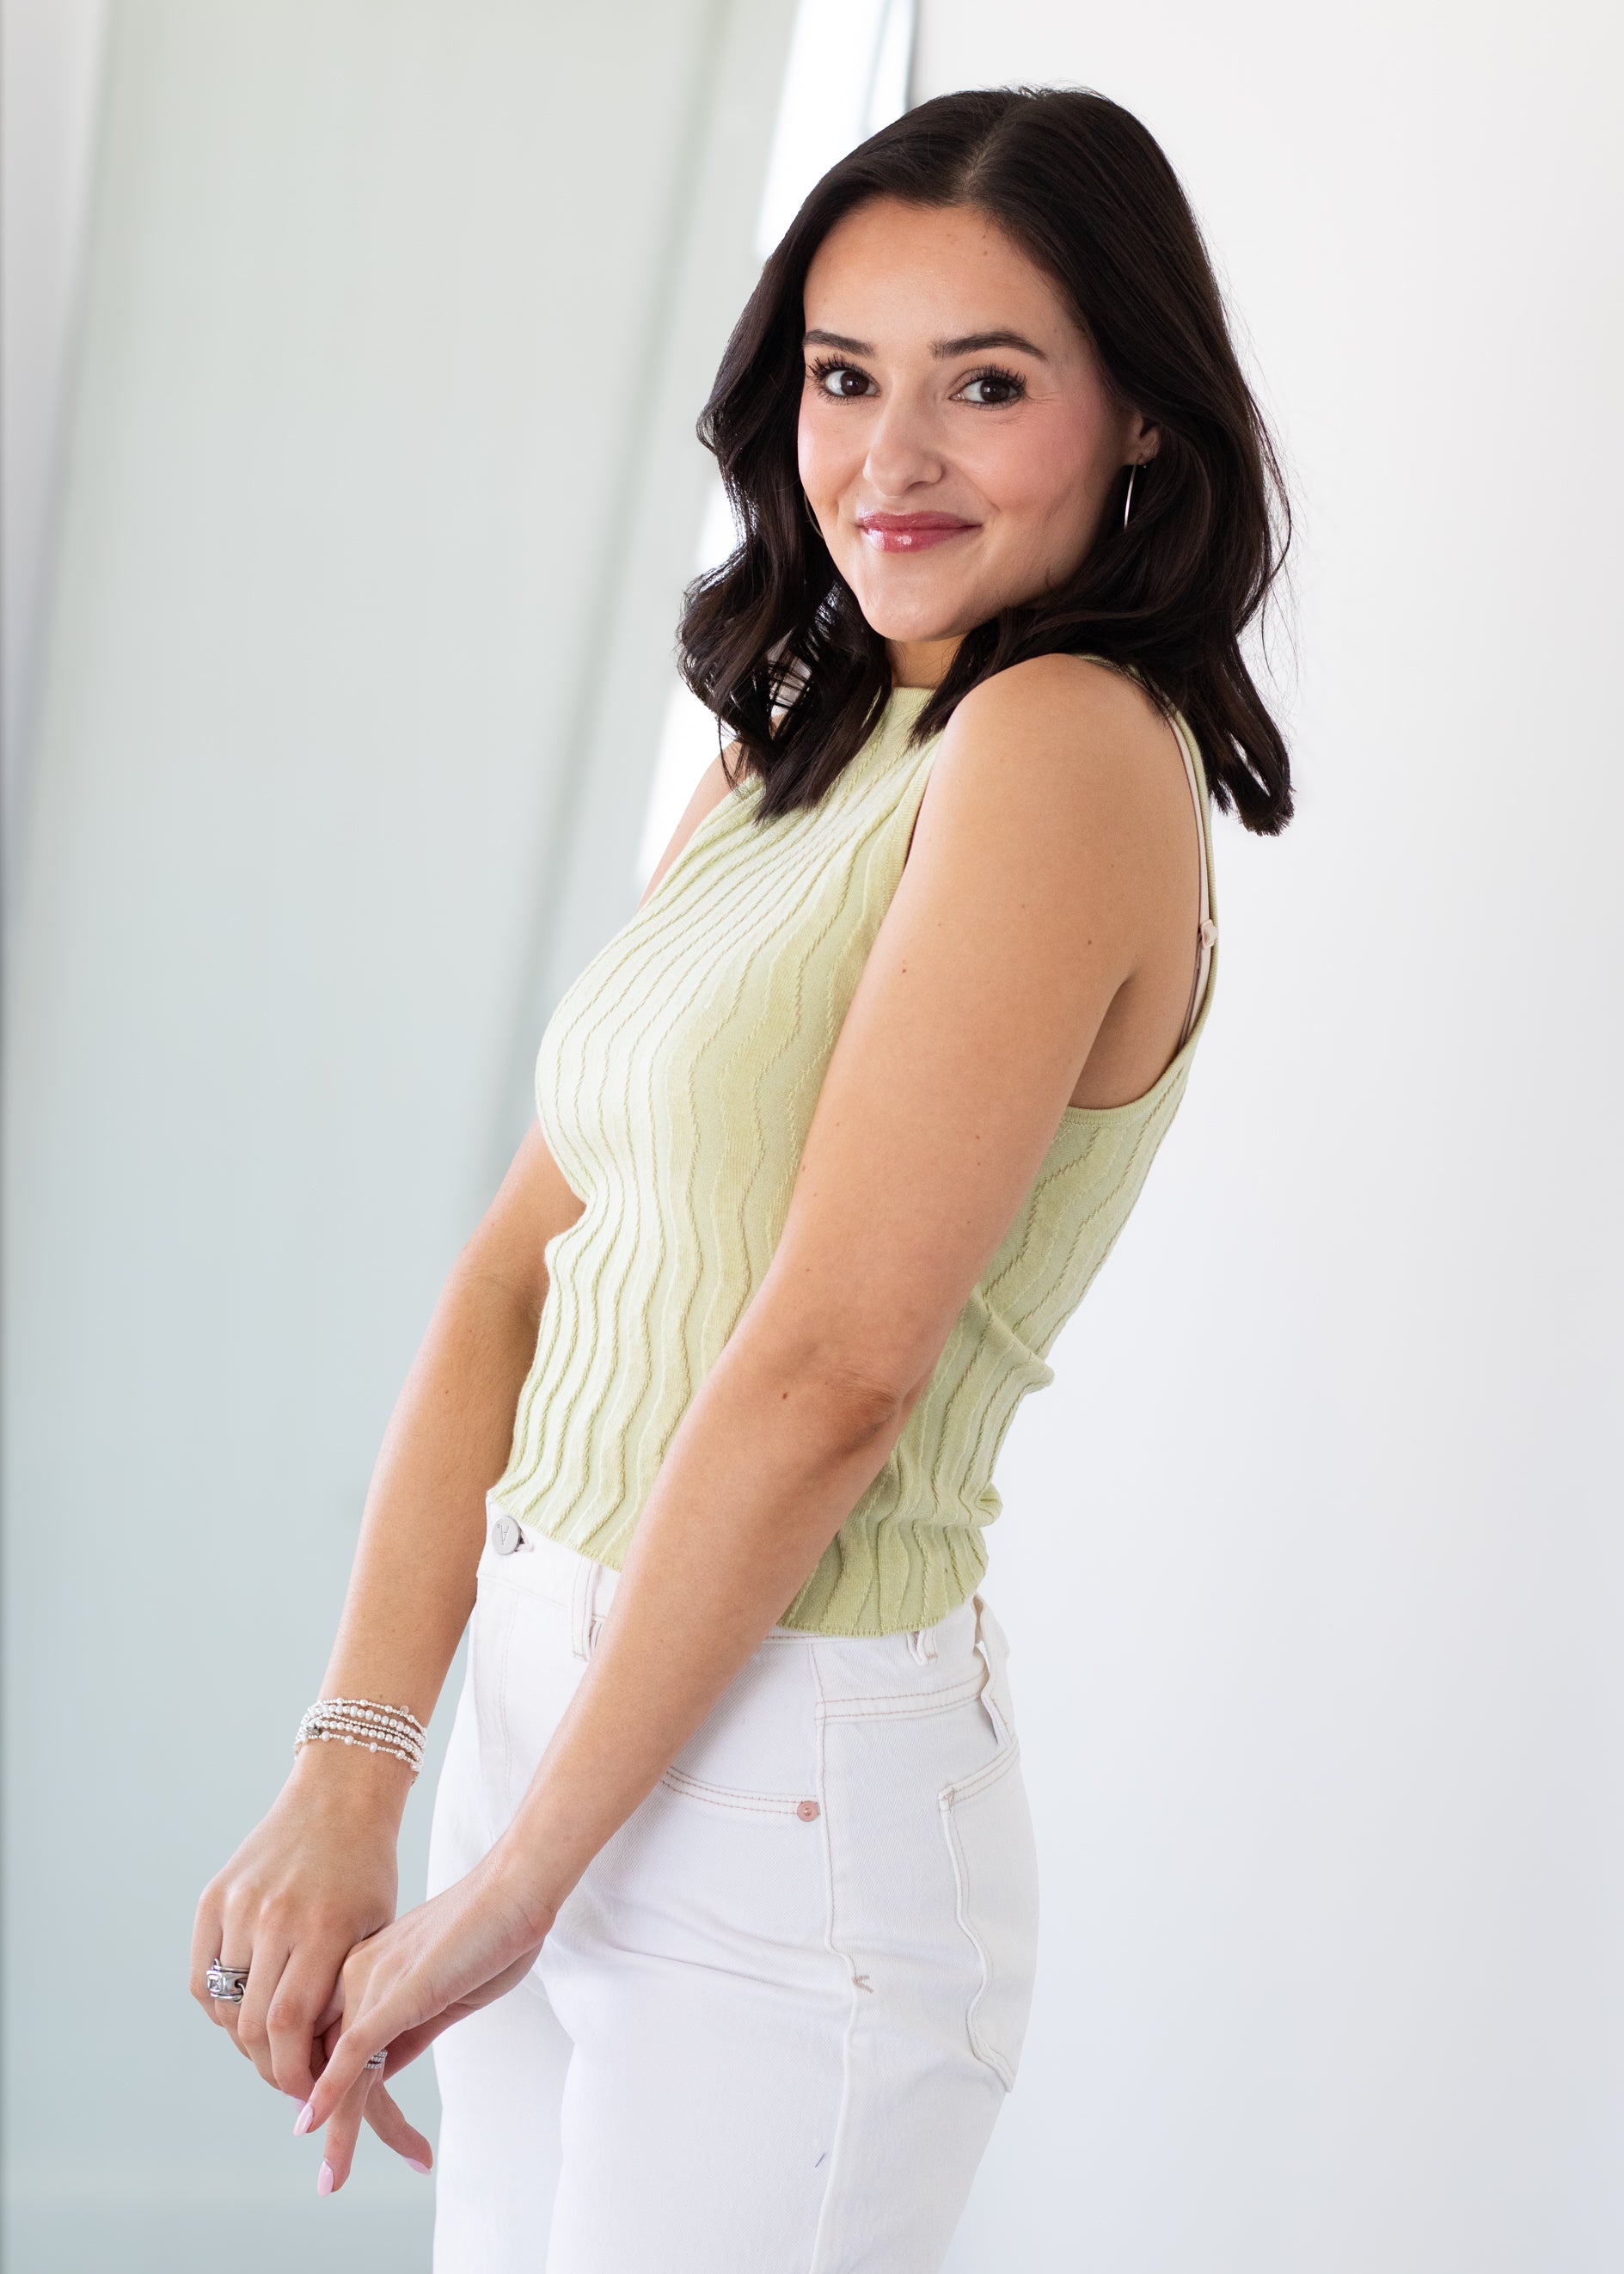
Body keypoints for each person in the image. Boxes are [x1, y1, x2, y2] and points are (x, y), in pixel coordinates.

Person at [191, 85, 1290, 2273]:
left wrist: (516, 1885)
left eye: (988, 385)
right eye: (844, 377)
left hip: (780, 1779)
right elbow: (525, 1269)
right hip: (557, 1706)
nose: (892, 458)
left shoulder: (1064, 745)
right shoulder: (801, 738)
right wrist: (357, 1761)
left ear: (1146, 420)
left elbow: (835, 1366)